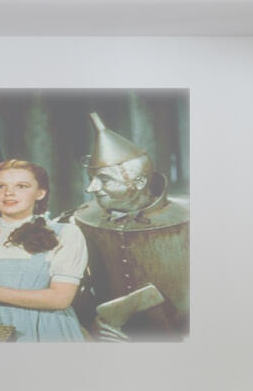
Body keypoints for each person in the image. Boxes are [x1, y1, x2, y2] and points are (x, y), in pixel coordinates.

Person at [68, 111, 190, 338]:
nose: (91, 188)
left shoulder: (191, 219)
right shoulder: (82, 218)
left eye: (104, 179)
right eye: (92, 178)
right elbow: (73, 286)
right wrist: (94, 324)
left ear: (140, 181)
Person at [0, 159, 88, 342]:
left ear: (40, 193)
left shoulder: (65, 233)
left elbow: (60, 299)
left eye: (22, 186)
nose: (9, 193)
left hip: (46, 331)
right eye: (0, 186)